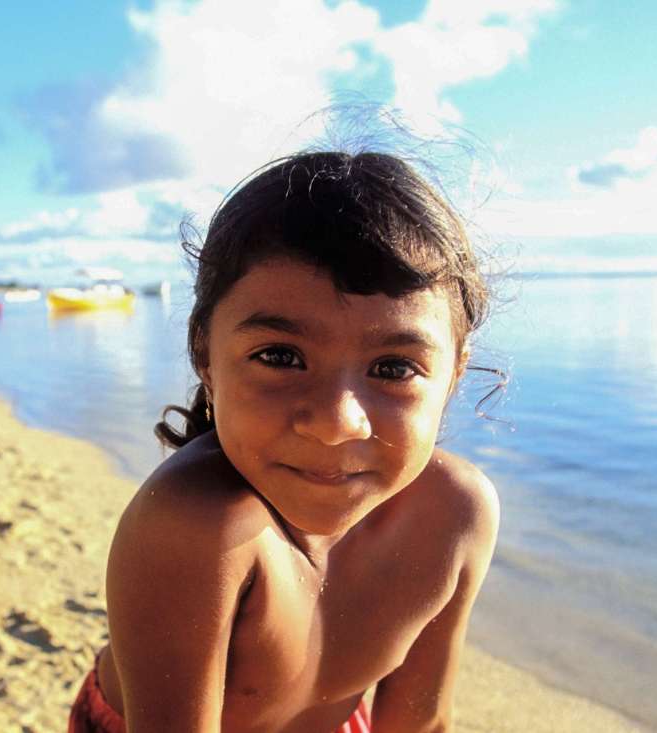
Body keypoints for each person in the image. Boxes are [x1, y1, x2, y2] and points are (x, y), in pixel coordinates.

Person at [69, 150, 500, 732]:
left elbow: (419, 723)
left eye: (394, 368)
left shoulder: (456, 515)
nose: (336, 421)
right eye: (280, 356)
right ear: (205, 356)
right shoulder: (198, 525)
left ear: (453, 374)